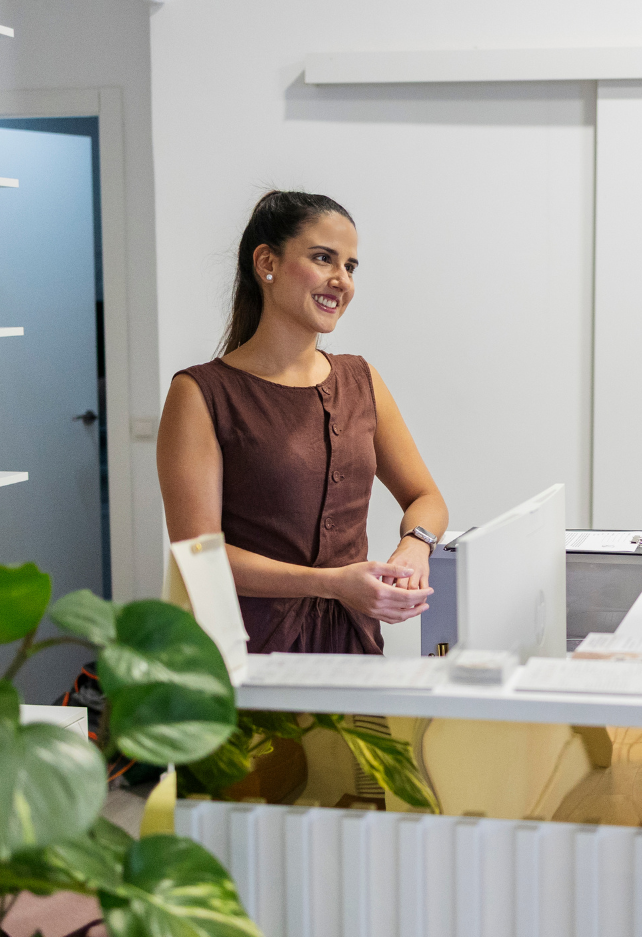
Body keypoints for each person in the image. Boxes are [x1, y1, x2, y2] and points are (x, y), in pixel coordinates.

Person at [158, 190, 448, 655]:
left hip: (353, 643)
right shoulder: (199, 394)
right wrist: (332, 584)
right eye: (323, 258)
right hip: (246, 653)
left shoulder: (362, 379)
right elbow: (200, 557)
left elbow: (426, 497)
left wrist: (415, 544)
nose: (342, 280)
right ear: (266, 262)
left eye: (350, 266)